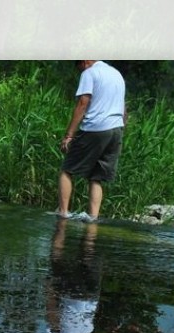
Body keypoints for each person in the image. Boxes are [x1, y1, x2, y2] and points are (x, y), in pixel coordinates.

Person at [56, 60, 126, 222]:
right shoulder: (116, 74)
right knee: (96, 176)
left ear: (85, 61)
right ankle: (93, 218)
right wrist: (121, 129)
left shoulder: (90, 73)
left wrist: (69, 135)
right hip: (116, 129)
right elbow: (123, 108)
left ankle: (63, 213)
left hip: (96, 128)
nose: (79, 70)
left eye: (78, 66)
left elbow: (83, 103)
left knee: (67, 169)